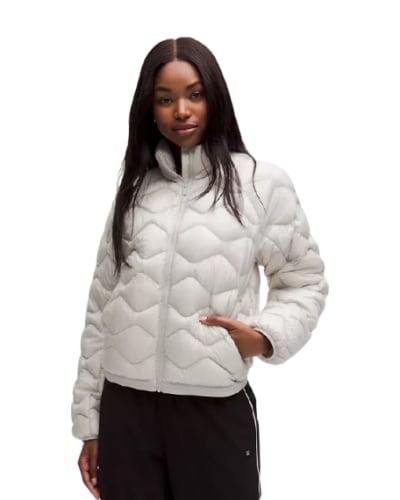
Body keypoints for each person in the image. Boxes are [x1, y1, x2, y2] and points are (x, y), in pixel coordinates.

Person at [71, 37, 328, 500]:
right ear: (149, 109)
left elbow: (303, 281)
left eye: (195, 94)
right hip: (125, 411)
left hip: (211, 410)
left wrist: (266, 335)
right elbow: (101, 307)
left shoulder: (260, 184)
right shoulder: (135, 190)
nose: (181, 111)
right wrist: (90, 424)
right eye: (165, 99)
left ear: (215, 98)